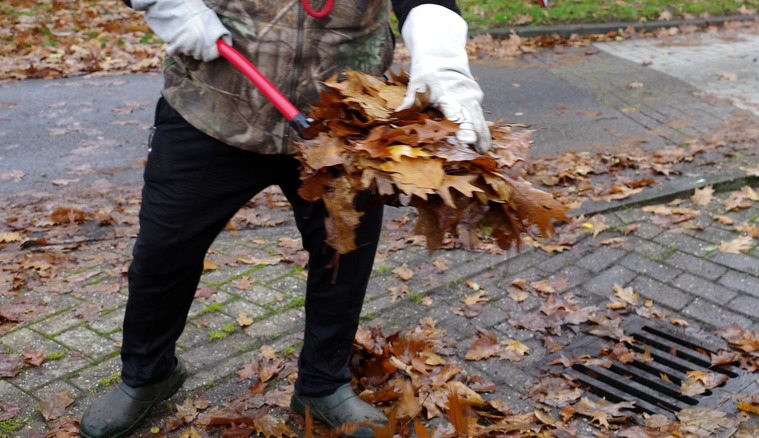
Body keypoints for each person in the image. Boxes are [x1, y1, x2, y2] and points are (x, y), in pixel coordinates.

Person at [79, 0, 490, 437]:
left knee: (343, 257)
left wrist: (443, 61)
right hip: (213, 104)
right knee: (164, 251)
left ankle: (322, 383)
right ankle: (147, 375)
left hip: (342, 118)